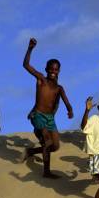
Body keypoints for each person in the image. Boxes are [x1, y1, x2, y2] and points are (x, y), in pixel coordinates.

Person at [22, 38, 74, 178]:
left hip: (50, 119)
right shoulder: (41, 80)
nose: (53, 71)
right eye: (50, 69)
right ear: (46, 69)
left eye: (55, 69)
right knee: (47, 141)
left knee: (55, 146)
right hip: (38, 115)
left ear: (59, 71)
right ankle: (46, 172)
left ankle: (31, 152)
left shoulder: (59, 88)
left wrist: (70, 109)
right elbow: (26, 65)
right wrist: (30, 49)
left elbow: (66, 101)